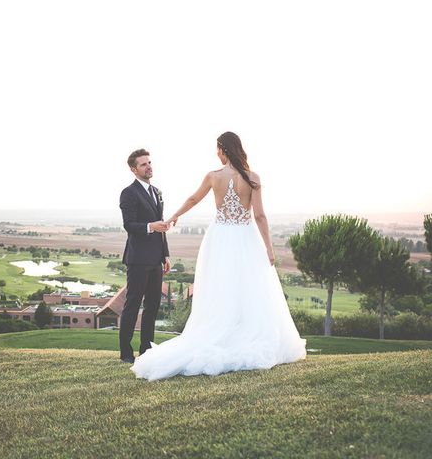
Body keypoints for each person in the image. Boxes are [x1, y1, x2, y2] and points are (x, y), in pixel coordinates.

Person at [130, 132, 306, 380]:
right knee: (250, 288)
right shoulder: (252, 178)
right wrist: (269, 247)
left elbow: (193, 198)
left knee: (220, 287)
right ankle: (242, 335)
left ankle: (219, 334)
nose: (216, 153)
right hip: (246, 238)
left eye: (217, 148)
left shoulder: (214, 177)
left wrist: (174, 217)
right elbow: (260, 216)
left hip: (220, 238)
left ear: (224, 149)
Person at [119, 149, 172, 363]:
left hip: (156, 259)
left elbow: (162, 226)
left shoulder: (157, 191)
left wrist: (165, 255)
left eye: (149, 162)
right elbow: (129, 224)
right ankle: (125, 353)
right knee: (132, 305)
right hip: (138, 259)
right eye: (143, 164)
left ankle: (147, 351)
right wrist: (151, 226)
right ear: (134, 169)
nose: (149, 166)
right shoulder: (128, 193)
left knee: (152, 307)